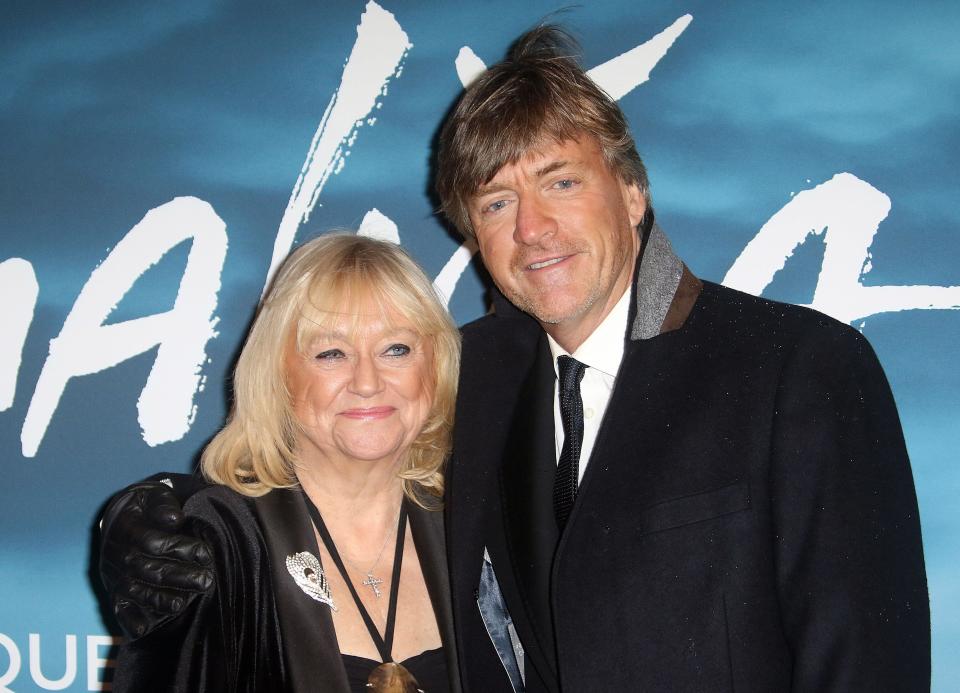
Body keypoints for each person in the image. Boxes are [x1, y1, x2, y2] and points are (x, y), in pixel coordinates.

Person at [101, 25, 929, 692]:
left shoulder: (801, 369)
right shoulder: (474, 375)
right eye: (499, 201)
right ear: (474, 233)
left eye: (561, 182)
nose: (532, 228)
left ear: (633, 194)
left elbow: (866, 664)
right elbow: (331, 456)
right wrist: (147, 522)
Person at [109, 234, 462, 692]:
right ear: (278, 376)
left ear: (435, 366)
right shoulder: (217, 547)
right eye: (331, 353)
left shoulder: (477, 533)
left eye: (397, 348)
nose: (368, 381)